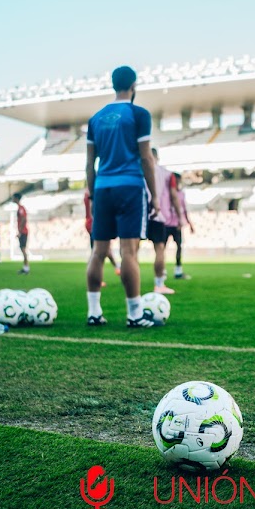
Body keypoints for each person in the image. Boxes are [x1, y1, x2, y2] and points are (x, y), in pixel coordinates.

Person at [84, 65, 159, 327]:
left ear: (113, 84)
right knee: (129, 252)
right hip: (130, 186)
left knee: (98, 251)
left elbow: (89, 164)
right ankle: (135, 314)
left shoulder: (96, 118)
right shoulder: (139, 114)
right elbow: (147, 158)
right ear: (134, 85)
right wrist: (155, 196)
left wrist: (93, 197)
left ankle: (94, 312)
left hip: (103, 188)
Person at [147, 148, 180, 294]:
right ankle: (159, 284)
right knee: (159, 249)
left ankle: (130, 282)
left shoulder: (138, 168)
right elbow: (173, 195)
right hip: (157, 213)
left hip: (139, 212)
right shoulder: (167, 174)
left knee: (130, 249)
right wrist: (179, 215)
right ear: (157, 157)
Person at [84, 186, 118, 287]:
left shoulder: (89, 191)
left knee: (102, 250)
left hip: (91, 222)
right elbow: (93, 208)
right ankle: (96, 280)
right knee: (98, 251)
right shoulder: (94, 191)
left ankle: (117, 267)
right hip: (94, 222)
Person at [170, 172, 194, 280]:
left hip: (177, 224)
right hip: (166, 223)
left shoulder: (181, 194)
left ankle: (178, 271)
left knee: (179, 247)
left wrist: (190, 224)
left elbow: (184, 210)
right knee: (160, 248)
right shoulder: (165, 193)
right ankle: (161, 274)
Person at [14, 192, 30, 274]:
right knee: (22, 249)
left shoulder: (21, 208)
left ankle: (26, 268)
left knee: (23, 249)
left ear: (16, 198)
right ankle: (25, 267)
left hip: (23, 232)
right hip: (23, 231)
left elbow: (24, 219)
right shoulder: (20, 208)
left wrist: (20, 231)